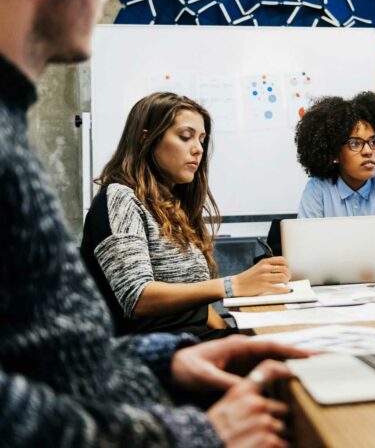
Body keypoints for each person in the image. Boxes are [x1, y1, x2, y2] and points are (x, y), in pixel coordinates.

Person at [0, 0, 308, 445]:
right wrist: (191, 434)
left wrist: (168, 363)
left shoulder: (12, 128)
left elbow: (55, 358)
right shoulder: (115, 195)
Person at [81, 92, 292, 338]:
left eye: (201, 140)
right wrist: (232, 285)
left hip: (190, 340)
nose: (198, 149)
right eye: (185, 137)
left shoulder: (173, 206)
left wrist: (233, 331)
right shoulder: (120, 198)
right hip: (154, 353)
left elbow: (194, 306)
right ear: (145, 139)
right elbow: (137, 298)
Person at [294, 91, 375, 273]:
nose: (368, 151)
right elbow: (306, 262)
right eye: (355, 143)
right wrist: (370, 267)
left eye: (373, 142)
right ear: (334, 153)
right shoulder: (317, 190)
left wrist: (337, 267)